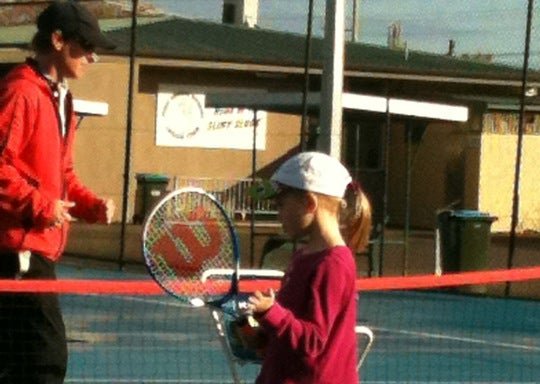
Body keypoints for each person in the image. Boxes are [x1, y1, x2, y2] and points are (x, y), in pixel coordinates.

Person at [0, 1, 116, 382]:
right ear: (58, 40)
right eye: (86, 46)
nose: (92, 57)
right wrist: (38, 204)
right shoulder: (22, 92)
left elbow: (61, 173)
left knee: (20, 361)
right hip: (17, 253)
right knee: (44, 360)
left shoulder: (60, 98)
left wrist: (91, 205)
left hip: (34, 250)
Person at [247, 151, 372, 384]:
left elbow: (313, 340)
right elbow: (292, 328)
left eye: (281, 204)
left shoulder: (333, 265)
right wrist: (264, 335)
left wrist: (271, 313)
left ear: (309, 203)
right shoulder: (302, 257)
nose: (278, 214)